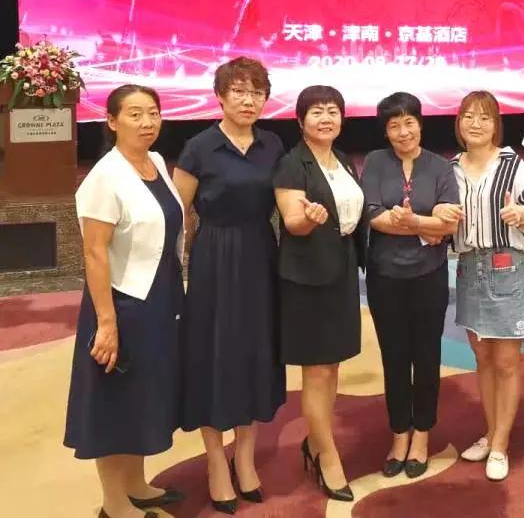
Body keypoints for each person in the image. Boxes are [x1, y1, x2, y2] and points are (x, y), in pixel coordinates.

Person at [65, 85, 185, 518]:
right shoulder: (105, 176)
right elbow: (95, 252)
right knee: (114, 399)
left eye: (153, 113)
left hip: (159, 295)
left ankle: (136, 483)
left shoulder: (155, 162)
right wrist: (107, 322)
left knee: (142, 394)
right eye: (135, 114)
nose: (147, 122)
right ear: (112, 121)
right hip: (122, 303)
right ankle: (114, 503)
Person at [173, 58, 286, 513]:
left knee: (255, 352)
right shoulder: (199, 147)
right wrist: (173, 271)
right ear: (220, 96)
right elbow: (177, 216)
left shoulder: (272, 144)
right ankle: (216, 461)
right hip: (214, 258)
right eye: (238, 91)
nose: (248, 100)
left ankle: (245, 456)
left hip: (261, 254)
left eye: (257, 92)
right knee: (213, 353)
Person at [360, 92, 461, 479]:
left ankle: (422, 434)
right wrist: (424, 225)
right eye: (394, 125)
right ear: (385, 131)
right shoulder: (375, 162)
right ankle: (399, 433)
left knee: (427, 356)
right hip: (385, 277)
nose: (403, 132)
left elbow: (449, 223)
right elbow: (372, 214)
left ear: (420, 123)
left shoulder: (440, 166)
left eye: (409, 122)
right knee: (395, 358)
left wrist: (413, 222)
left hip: (428, 277)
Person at [273, 85, 366, 501]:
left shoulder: (342, 159)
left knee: (332, 367)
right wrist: (309, 218)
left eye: (333, 111)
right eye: (316, 112)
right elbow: (293, 222)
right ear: (300, 120)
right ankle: (327, 457)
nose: (326, 118)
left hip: (340, 272)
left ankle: (316, 441)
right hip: (307, 279)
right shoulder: (293, 164)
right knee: (316, 371)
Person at [448, 90, 524, 482]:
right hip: (468, 268)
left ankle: (501, 444)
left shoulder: (512, 165)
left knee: (506, 362)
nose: (476, 124)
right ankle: (490, 434)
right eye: (469, 116)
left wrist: (523, 214)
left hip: (506, 266)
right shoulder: (450, 169)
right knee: (483, 358)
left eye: (485, 117)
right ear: (459, 122)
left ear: (496, 125)